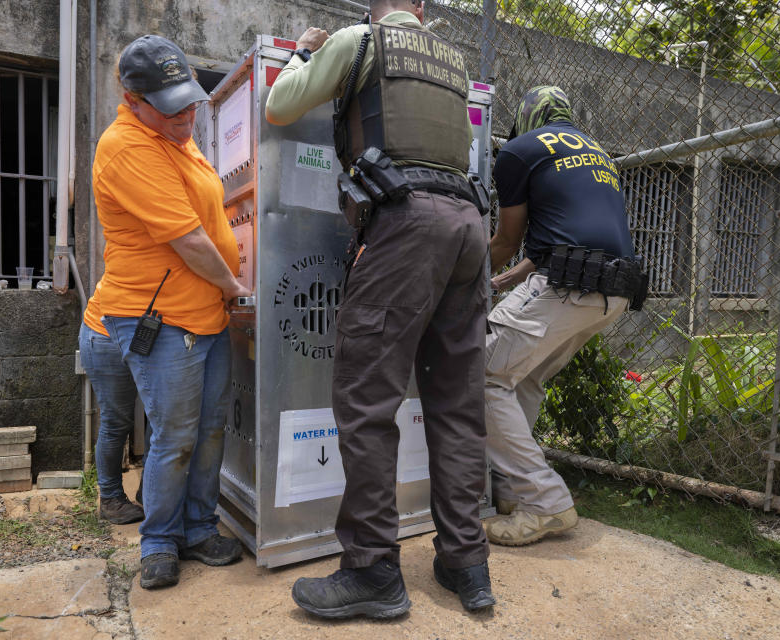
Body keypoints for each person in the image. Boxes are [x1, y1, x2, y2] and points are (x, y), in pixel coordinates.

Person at [266, 0, 494, 618]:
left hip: (405, 226)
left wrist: (303, 53)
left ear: (375, 5)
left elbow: (278, 105)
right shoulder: (451, 62)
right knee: (456, 405)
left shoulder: (359, 41)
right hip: (468, 229)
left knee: (367, 402)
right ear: (420, 9)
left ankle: (372, 571)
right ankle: (465, 564)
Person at [94, 34, 250, 590]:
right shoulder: (127, 147)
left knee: (209, 430)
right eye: (170, 104)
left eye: (189, 98)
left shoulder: (179, 141)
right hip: (161, 318)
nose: (187, 112)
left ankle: (200, 527)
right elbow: (188, 240)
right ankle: (159, 541)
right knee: (175, 434)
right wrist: (233, 285)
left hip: (204, 314)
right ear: (133, 100)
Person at [485, 85, 642, 546]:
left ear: (527, 117)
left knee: (480, 376)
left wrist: (461, 274)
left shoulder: (518, 150)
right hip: (612, 292)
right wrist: (499, 284)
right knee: (522, 378)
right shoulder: (597, 153)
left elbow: (506, 243)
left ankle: (546, 502)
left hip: (567, 289)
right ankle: (516, 492)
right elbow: (547, 246)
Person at [79, 281, 143, 525]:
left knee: (162, 415)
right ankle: (111, 499)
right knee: (116, 422)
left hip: (140, 334)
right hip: (105, 334)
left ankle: (150, 493)